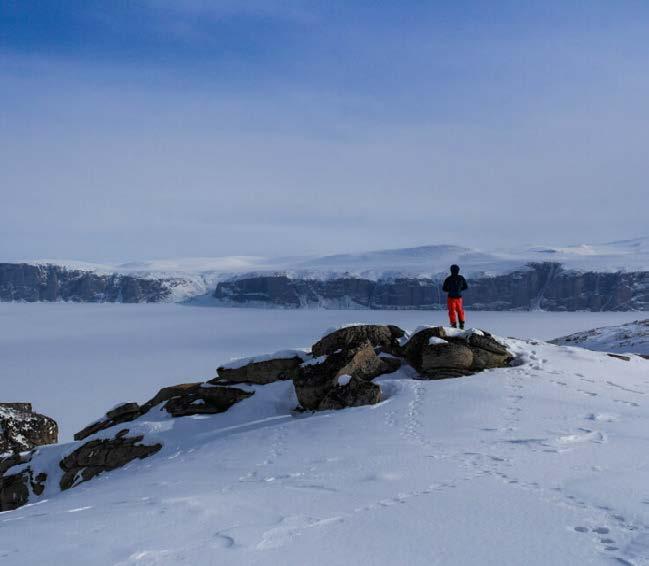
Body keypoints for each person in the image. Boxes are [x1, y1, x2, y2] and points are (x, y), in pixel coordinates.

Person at [442, 264, 468, 329]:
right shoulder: (461, 278)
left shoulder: (448, 279)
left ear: (451, 270)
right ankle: (461, 325)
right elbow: (465, 287)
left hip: (451, 298)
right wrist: (459, 290)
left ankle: (454, 325)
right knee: (460, 311)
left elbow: (444, 289)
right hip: (459, 298)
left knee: (451, 311)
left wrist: (450, 290)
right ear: (458, 270)